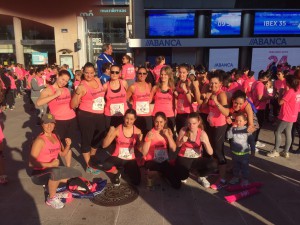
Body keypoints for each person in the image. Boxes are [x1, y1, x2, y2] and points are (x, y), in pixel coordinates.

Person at [29, 113, 81, 209]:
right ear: (42, 125)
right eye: (46, 123)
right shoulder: (39, 141)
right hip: (38, 174)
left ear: (55, 124)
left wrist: (68, 145)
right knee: (56, 172)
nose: (49, 126)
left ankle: (54, 189)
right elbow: (31, 163)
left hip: (52, 171)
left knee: (73, 176)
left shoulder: (56, 136)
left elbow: (62, 154)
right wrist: (50, 164)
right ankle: (51, 198)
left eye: (51, 123)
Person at [71, 62, 106, 174]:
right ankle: (89, 165)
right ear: (83, 72)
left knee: (99, 136)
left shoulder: (97, 80)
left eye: (91, 73)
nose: (89, 75)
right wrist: (76, 94)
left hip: (99, 114)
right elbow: (73, 105)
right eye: (86, 73)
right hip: (86, 115)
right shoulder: (82, 86)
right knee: (86, 139)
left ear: (94, 72)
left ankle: (92, 157)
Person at [36, 70, 77, 167]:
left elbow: (71, 104)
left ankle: (68, 167)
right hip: (58, 121)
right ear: (58, 76)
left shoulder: (67, 90)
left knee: (68, 144)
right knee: (58, 145)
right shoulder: (48, 90)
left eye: (66, 81)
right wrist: (55, 95)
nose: (63, 82)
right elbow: (38, 103)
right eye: (62, 79)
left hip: (71, 119)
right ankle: (54, 166)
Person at [202, 70, 229, 190]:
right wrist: (206, 100)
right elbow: (202, 108)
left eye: (215, 83)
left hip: (219, 126)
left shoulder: (221, 95)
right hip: (211, 125)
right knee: (212, 150)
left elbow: (226, 112)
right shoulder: (210, 93)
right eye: (211, 83)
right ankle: (218, 170)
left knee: (218, 151)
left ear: (220, 84)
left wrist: (216, 102)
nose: (213, 85)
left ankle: (222, 180)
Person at [102, 109, 143, 186]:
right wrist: (109, 133)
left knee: (136, 182)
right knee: (106, 164)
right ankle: (116, 172)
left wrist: (140, 141)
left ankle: (126, 169)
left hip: (130, 159)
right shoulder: (118, 129)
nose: (129, 121)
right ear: (124, 118)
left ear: (135, 119)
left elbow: (140, 150)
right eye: (127, 118)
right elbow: (104, 145)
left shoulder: (138, 131)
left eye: (131, 119)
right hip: (117, 157)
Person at [141, 112, 180, 189]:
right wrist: (147, 139)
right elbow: (144, 152)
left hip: (163, 161)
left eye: (161, 122)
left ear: (165, 121)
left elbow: (173, 148)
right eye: (156, 122)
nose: (158, 125)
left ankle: (163, 173)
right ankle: (152, 175)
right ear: (153, 121)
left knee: (177, 185)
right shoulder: (150, 133)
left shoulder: (167, 131)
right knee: (159, 168)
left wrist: (168, 136)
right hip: (152, 162)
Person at [175, 112, 215, 188]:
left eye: (194, 123)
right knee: (182, 176)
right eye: (189, 123)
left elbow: (210, 152)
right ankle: (186, 171)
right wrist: (181, 141)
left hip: (196, 158)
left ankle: (201, 175)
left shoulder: (202, 133)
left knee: (212, 164)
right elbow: (177, 145)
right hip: (184, 157)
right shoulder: (183, 130)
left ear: (198, 122)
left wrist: (206, 142)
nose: (191, 126)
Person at [267, 75, 300, 158]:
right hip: (293, 115)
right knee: (288, 133)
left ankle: (276, 150)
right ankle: (285, 151)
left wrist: (281, 92)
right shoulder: (297, 91)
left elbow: (280, 102)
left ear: (288, 82)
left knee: (277, 132)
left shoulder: (290, 91)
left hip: (286, 115)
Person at [227, 112, 255, 185]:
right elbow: (228, 136)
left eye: (240, 121)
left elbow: (252, 141)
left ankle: (245, 179)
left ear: (245, 122)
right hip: (235, 154)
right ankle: (236, 177)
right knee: (235, 167)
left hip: (244, 154)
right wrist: (232, 128)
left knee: (245, 168)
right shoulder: (233, 129)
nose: (238, 122)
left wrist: (253, 151)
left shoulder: (247, 131)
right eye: (236, 120)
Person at [126, 66, 152, 135]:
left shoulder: (149, 85)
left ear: (146, 75)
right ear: (137, 74)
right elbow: (125, 100)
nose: (142, 75)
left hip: (147, 116)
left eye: (144, 73)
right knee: (136, 137)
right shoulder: (132, 87)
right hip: (137, 116)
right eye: (140, 73)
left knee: (147, 136)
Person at [151, 65, 175, 134]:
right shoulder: (155, 88)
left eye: (165, 74)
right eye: (161, 74)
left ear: (169, 75)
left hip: (169, 115)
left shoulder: (172, 88)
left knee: (169, 136)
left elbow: (174, 103)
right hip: (156, 116)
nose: (163, 76)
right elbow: (149, 100)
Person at [250, 71, 271, 148]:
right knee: (256, 127)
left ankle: (254, 141)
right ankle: (252, 143)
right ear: (265, 78)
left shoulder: (255, 82)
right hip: (258, 108)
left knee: (256, 126)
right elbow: (260, 98)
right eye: (268, 79)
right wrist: (270, 97)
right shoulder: (260, 84)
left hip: (256, 107)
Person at [174, 64, 195, 134]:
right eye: (180, 72)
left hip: (187, 114)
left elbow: (191, 101)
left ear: (187, 73)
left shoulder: (190, 83)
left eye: (183, 72)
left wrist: (185, 90)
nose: (181, 74)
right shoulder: (178, 83)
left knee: (186, 135)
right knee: (179, 133)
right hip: (179, 113)